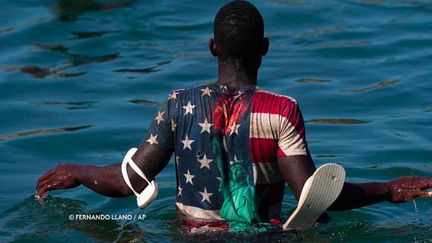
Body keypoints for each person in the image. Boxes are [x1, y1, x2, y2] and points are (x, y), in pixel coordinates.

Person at [36, 0, 432, 231]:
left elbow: (127, 183)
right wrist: (389, 188)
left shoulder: (177, 103)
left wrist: (78, 170)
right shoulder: (282, 110)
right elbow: (312, 196)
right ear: (265, 47)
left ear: (212, 47)